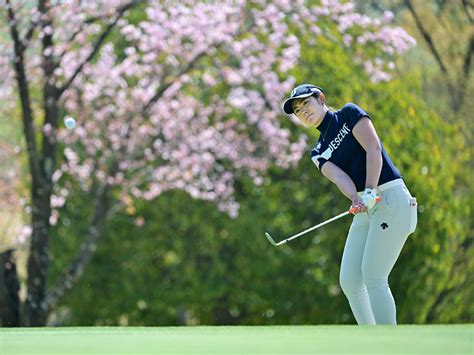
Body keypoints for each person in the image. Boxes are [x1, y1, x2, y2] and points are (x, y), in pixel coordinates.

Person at [282, 84, 418, 325]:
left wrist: (368, 190)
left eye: (306, 104)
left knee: (374, 275)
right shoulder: (318, 151)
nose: (303, 111)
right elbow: (340, 178)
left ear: (321, 99)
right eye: (297, 110)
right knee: (350, 280)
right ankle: (371, 344)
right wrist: (356, 198)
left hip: (390, 196)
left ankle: (391, 345)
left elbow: (373, 149)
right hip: (366, 204)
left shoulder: (348, 114)